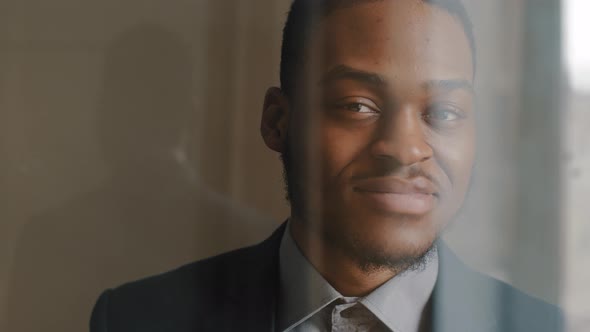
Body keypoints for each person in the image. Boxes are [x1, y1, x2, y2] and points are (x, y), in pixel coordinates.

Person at [90, 0, 563, 331]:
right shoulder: (138, 319)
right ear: (277, 122)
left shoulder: (546, 329)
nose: (403, 148)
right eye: (358, 105)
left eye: (442, 113)